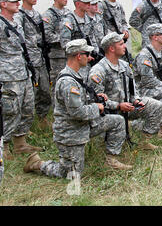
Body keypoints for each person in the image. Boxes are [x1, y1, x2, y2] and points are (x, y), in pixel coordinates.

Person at [23, 39, 131, 177]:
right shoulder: (68, 82)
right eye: (87, 54)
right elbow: (78, 112)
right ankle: (38, 164)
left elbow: (82, 100)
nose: (90, 57)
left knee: (117, 121)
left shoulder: (77, 75)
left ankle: (111, 159)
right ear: (79, 56)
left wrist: (98, 98)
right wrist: (97, 107)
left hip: (83, 125)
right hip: (70, 132)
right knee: (72, 174)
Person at [88, 32, 162, 150]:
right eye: (121, 44)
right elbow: (97, 101)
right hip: (110, 112)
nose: (125, 46)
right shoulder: (98, 71)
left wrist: (136, 100)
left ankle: (144, 141)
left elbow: (132, 90)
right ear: (111, 49)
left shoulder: (124, 66)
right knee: (111, 129)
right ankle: (111, 150)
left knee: (157, 106)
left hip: (127, 107)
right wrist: (118, 106)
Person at [0, 0, 42, 158]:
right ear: (3, 4)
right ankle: (4, 146)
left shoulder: (15, 22)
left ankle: (20, 142)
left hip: (23, 73)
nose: (18, 4)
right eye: (13, 2)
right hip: (8, 75)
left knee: (27, 108)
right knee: (11, 111)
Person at [15, 0, 52, 122]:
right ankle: (23, 124)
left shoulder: (37, 14)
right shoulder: (19, 15)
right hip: (29, 59)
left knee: (45, 90)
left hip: (40, 58)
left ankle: (42, 117)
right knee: (29, 93)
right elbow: (19, 37)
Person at [60, 0, 100, 80]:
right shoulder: (68, 20)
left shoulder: (88, 19)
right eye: (86, 3)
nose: (89, 5)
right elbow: (65, 44)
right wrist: (83, 55)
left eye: (89, 3)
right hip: (77, 62)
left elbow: (93, 38)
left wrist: (95, 53)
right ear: (77, 4)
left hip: (90, 60)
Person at [42, 0, 72, 100]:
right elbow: (48, 36)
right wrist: (65, 39)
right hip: (57, 56)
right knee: (57, 85)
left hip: (69, 55)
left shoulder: (68, 13)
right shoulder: (48, 15)